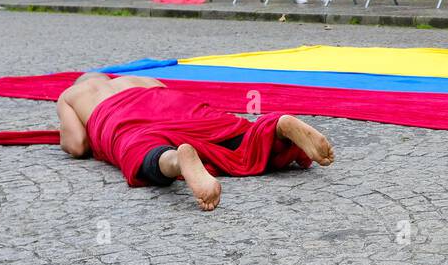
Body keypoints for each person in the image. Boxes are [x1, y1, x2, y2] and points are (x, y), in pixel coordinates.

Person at [54, 72, 334, 212]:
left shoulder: (72, 93)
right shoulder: (140, 79)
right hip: (169, 103)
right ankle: (275, 126)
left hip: (121, 117)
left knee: (141, 149)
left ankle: (175, 159)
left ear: (85, 80)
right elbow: (172, 98)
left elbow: (77, 144)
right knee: (224, 128)